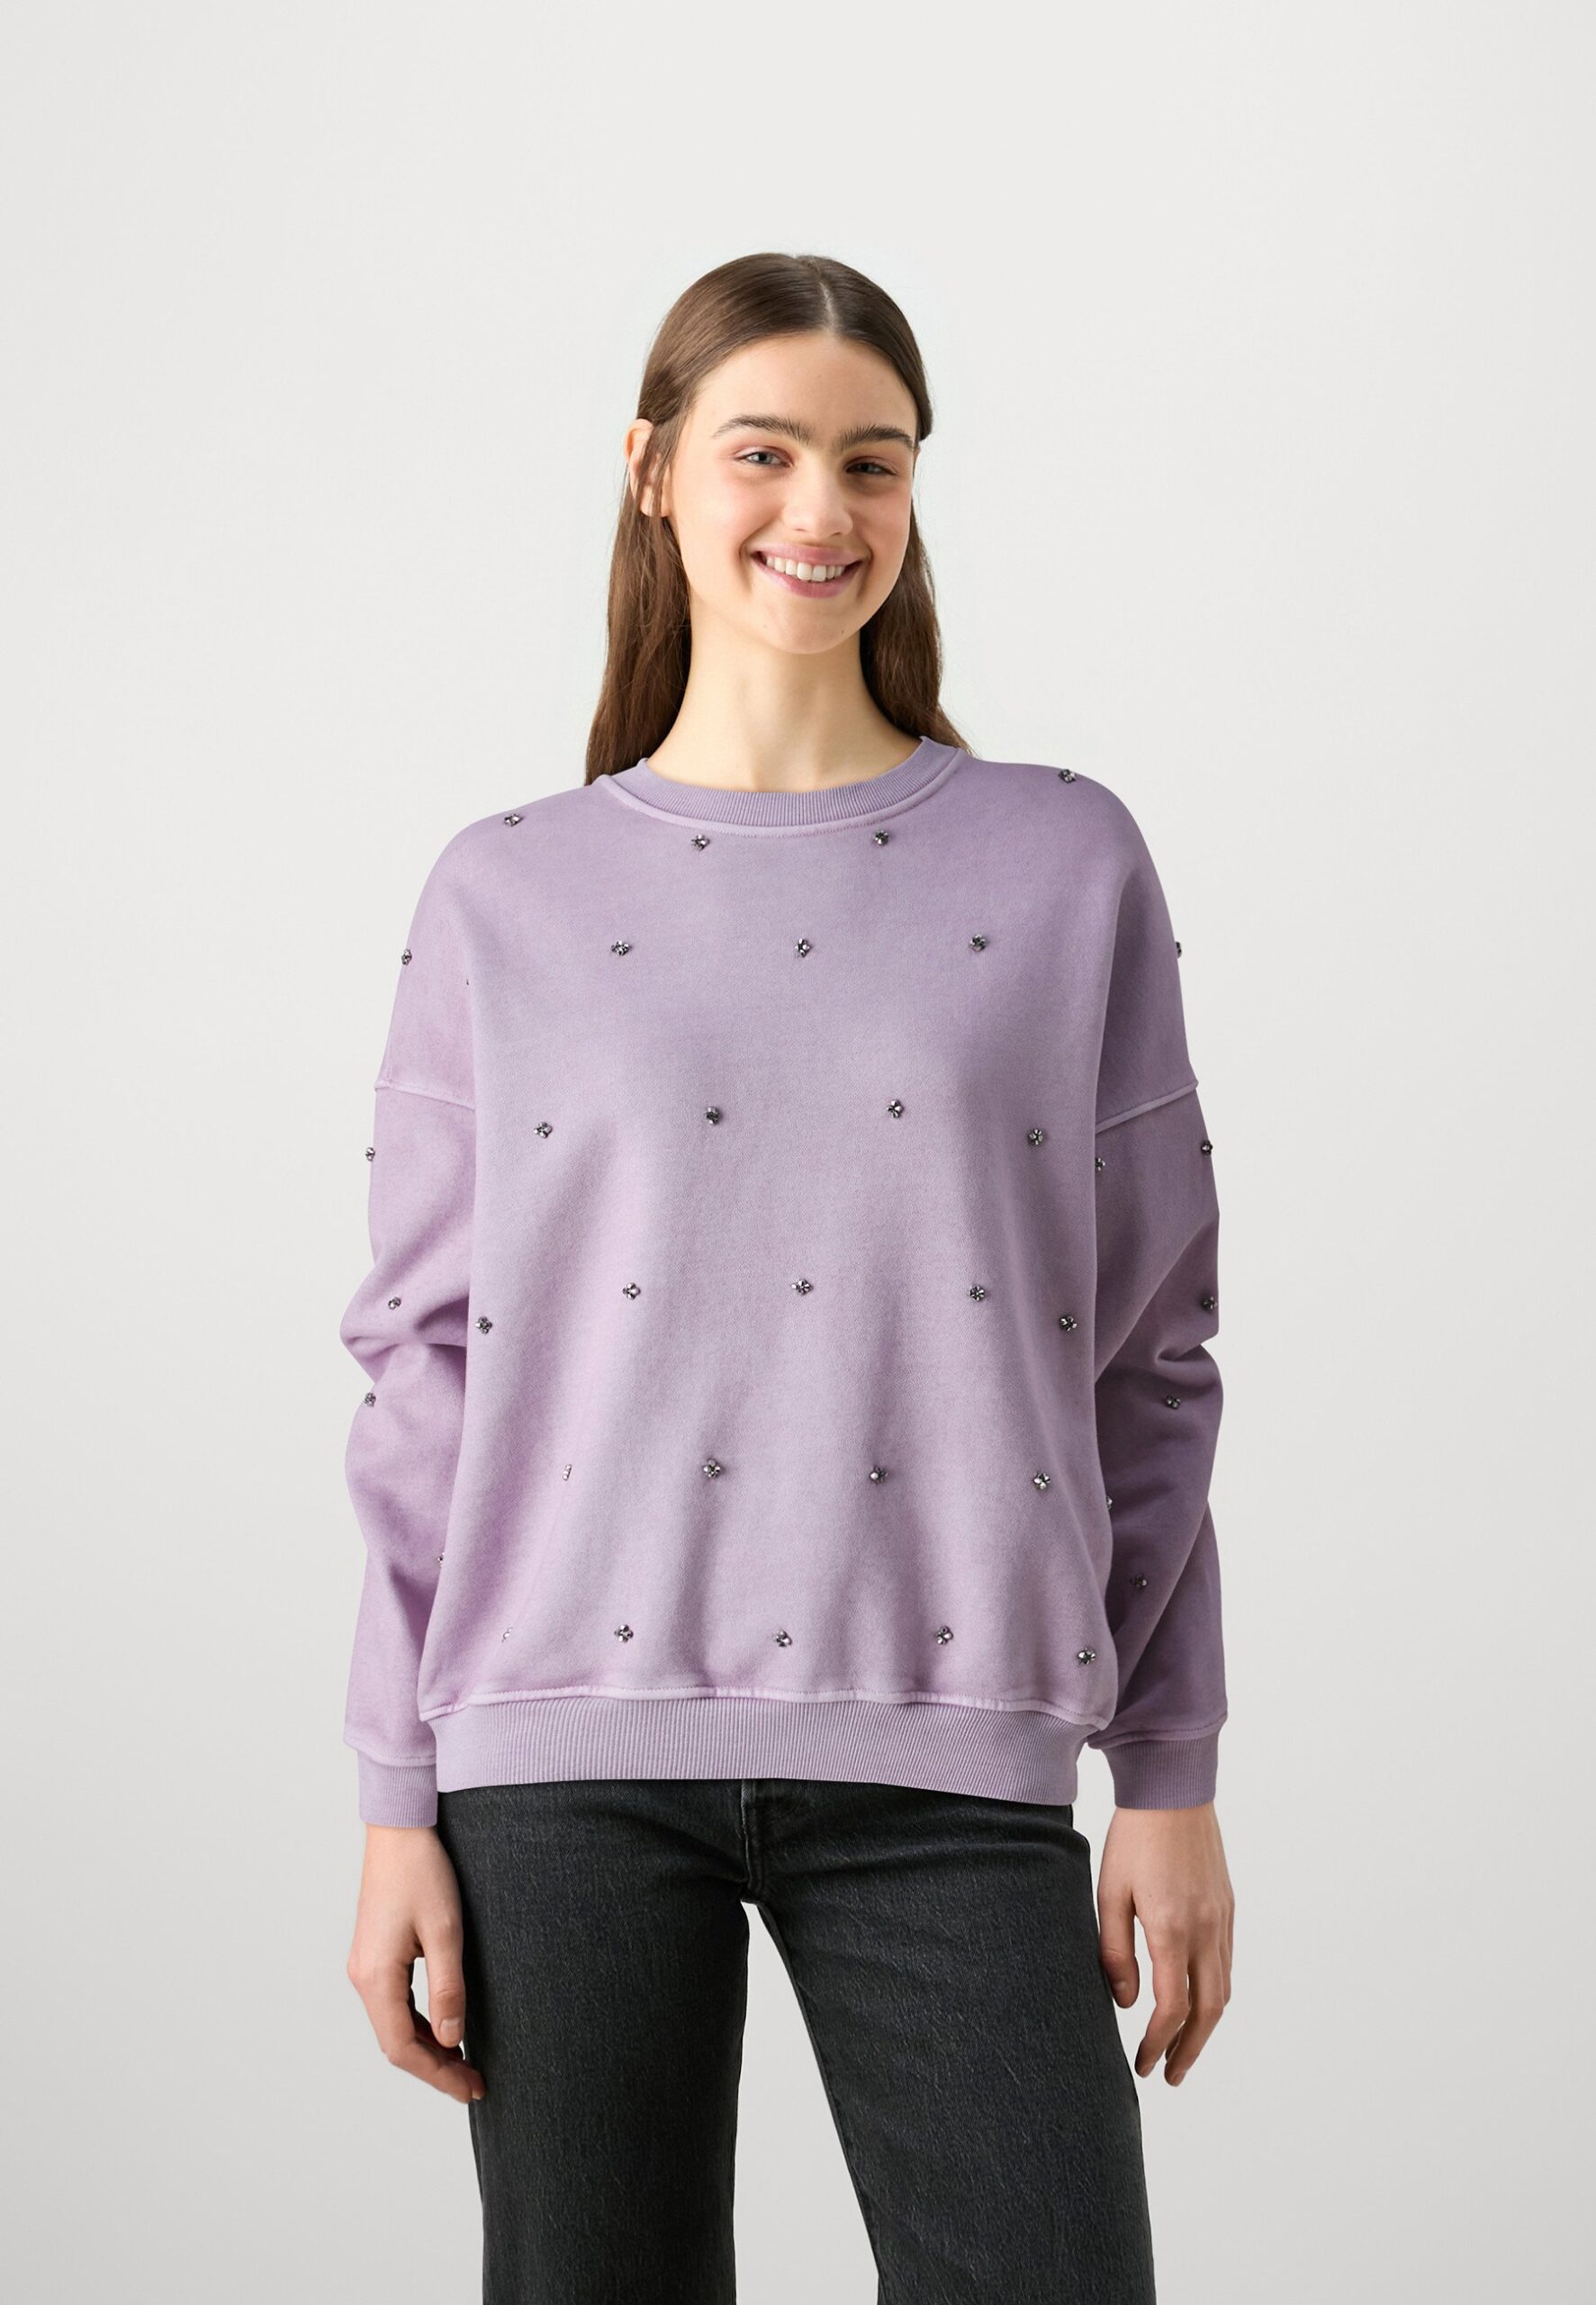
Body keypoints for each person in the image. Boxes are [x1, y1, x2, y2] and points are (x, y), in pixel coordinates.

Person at [340, 250, 1234, 2302]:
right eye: (763, 451)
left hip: (955, 1740)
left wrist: (1169, 1774)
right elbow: (419, 1367)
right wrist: (395, 1799)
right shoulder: (505, 890)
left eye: (872, 460)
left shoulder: (1062, 860)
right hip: (555, 1760)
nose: (819, 509)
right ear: (653, 469)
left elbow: (1151, 1352)